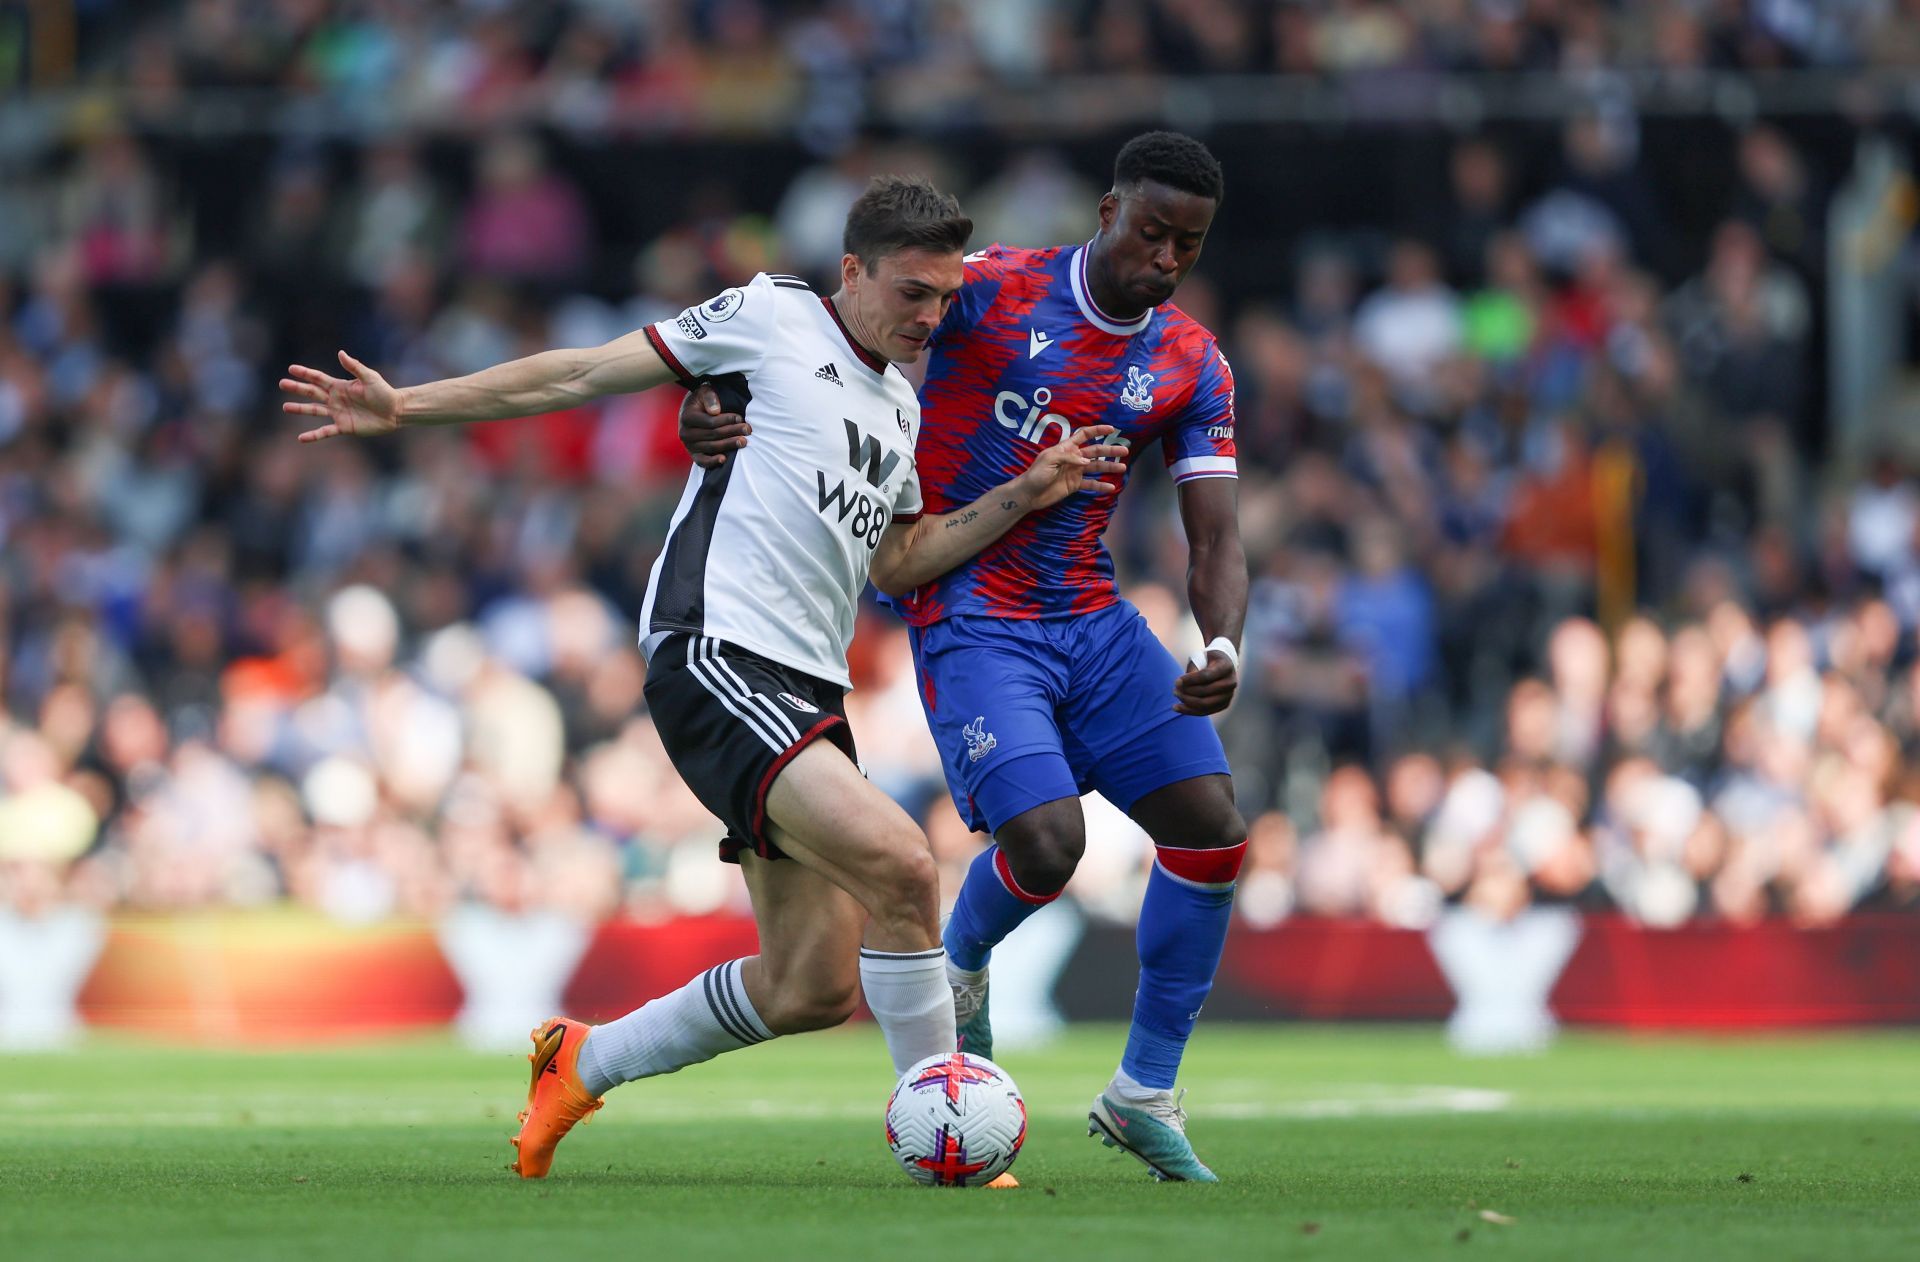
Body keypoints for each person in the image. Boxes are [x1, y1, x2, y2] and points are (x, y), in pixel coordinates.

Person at [280, 175, 1126, 1179]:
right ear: (851, 271)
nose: (931, 317)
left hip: (808, 688)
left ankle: (583, 1059)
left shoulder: (900, 406)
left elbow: (898, 560)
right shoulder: (771, 318)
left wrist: (1022, 494)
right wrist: (409, 406)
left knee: (809, 983)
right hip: (715, 648)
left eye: (944, 298)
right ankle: (955, 1145)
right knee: (906, 864)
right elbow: (583, 373)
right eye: (911, 293)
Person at [681, 134, 1247, 1182]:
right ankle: (965, 963)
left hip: (1090, 610)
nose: (1168, 257)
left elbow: (1214, 536)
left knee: (1214, 833)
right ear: (1106, 209)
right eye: (1152, 230)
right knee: (1046, 843)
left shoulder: (1190, 361)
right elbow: (839, 321)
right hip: (970, 603)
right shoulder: (993, 289)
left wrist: (1218, 642)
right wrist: (717, 398)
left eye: (1190, 243)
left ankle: (1143, 1093)